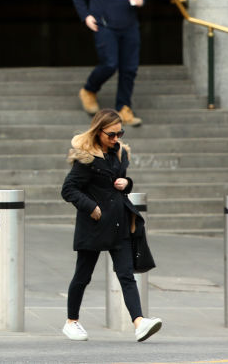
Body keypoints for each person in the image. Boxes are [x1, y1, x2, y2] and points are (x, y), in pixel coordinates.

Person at [60, 108, 163, 343]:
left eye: (120, 133)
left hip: (119, 222)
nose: (116, 139)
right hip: (94, 224)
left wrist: (126, 183)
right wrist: (91, 208)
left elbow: (120, 186)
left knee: (126, 275)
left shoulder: (119, 154)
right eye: (111, 135)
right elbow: (68, 190)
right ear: (98, 132)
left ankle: (139, 323)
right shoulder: (85, 158)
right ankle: (71, 321)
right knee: (82, 276)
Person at [72, 0, 148, 127]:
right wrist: (86, 16)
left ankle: (124, 108)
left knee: (129, 68)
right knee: (109, 63)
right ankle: (89, 90)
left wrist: (140, 0)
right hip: (104, 25)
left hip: (129, 25)